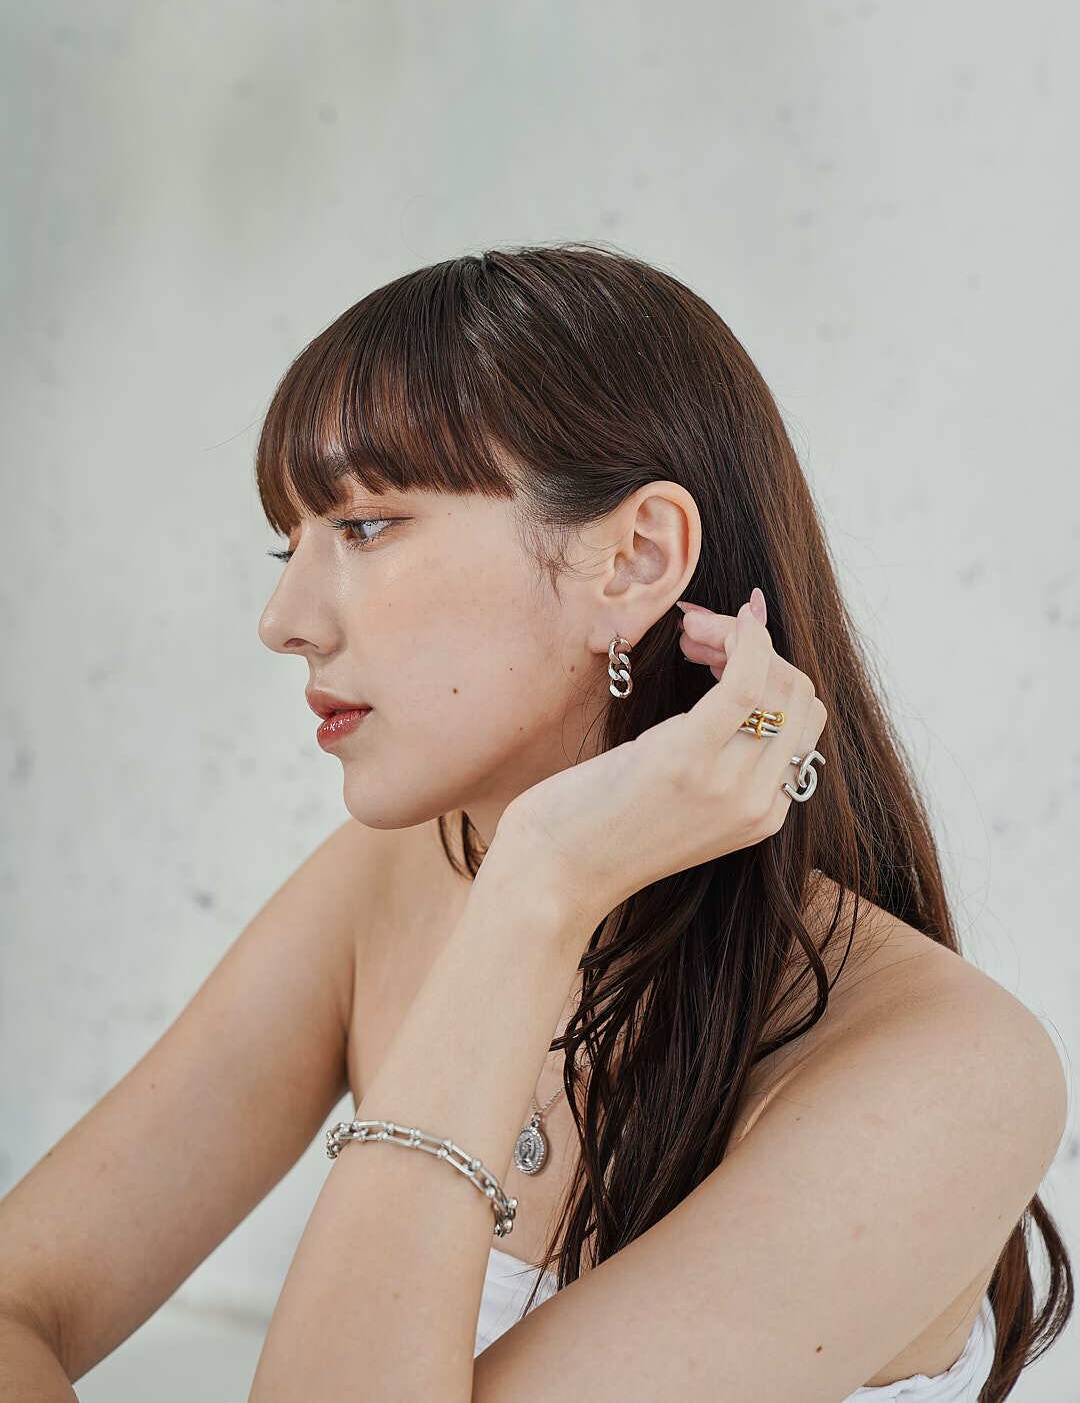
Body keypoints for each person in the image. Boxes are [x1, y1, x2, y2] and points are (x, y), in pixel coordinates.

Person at [0, 243, 1070, 1400]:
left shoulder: (945, 1072)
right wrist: (528, 892)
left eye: (364, 526)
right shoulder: (388, 882)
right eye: (288, 541)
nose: (283, 619)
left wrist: (538, 890)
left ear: (635, 559)